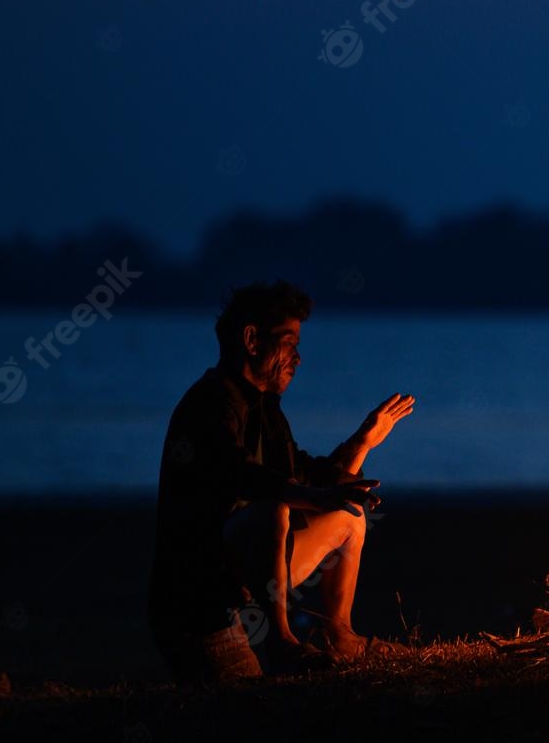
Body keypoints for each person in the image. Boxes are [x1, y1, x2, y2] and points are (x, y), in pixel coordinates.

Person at [148, 280, 415, 680]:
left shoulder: (265, 410)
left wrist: (363, 441)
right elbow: (240, 476)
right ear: (252, 340)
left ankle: (338, 634)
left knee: (348, 515)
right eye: (289, 343)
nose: (298, 358)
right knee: (273, 510)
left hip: (244, 587)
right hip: (198, 604)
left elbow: (309, 477)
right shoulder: (209, 403)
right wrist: (307, 495)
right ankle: (281, 643)